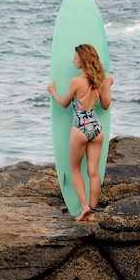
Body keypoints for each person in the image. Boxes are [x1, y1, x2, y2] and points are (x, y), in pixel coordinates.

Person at [47, 44, 113, 221]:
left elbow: (65, 103)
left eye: (75, 58)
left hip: (81, 128)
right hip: (97, 128)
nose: (73, 60)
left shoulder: (76, 82)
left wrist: (53, 91)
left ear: (82, 61)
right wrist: (108, 84)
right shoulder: (100, 80)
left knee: (75, 169)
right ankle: (92, 209)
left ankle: (84, 208)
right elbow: (106, 105)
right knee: (94, 172)